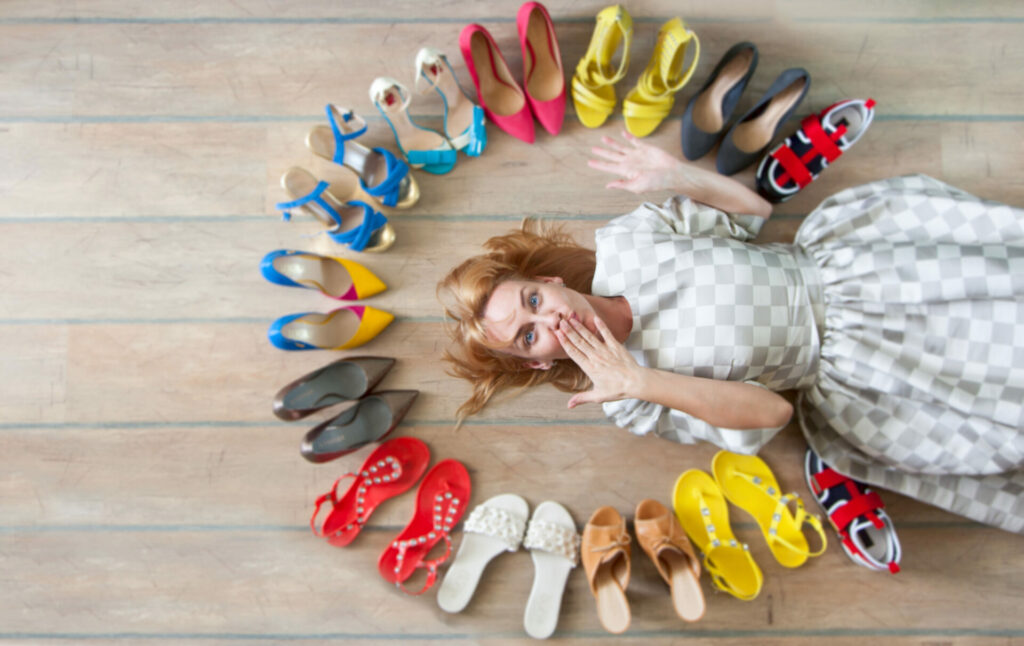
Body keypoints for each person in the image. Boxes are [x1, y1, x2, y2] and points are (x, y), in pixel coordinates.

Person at [438, 132, 1024, 533]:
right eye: (529, 338)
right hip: (858, 371)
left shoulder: (627, 241)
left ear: (544, 279)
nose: (551, 321)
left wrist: (676, 174)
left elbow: (752, 215)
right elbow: (772, 413)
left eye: (533, 302)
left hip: (853, 272)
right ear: (538, 363)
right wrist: (639, 379)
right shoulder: (630, 403)